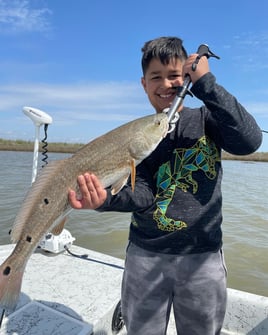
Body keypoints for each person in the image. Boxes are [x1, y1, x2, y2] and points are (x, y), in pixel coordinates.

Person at [68, 37, 262, 335]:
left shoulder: (207, 120)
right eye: (155, 77)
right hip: (146, 256)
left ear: (186, 76)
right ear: (143, 84)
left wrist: (206, 84)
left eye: (174, 75)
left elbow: (249, 141)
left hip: (203, 257)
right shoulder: (139, 134)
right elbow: (143, 194)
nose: (165, 84)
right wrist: (103, 200)